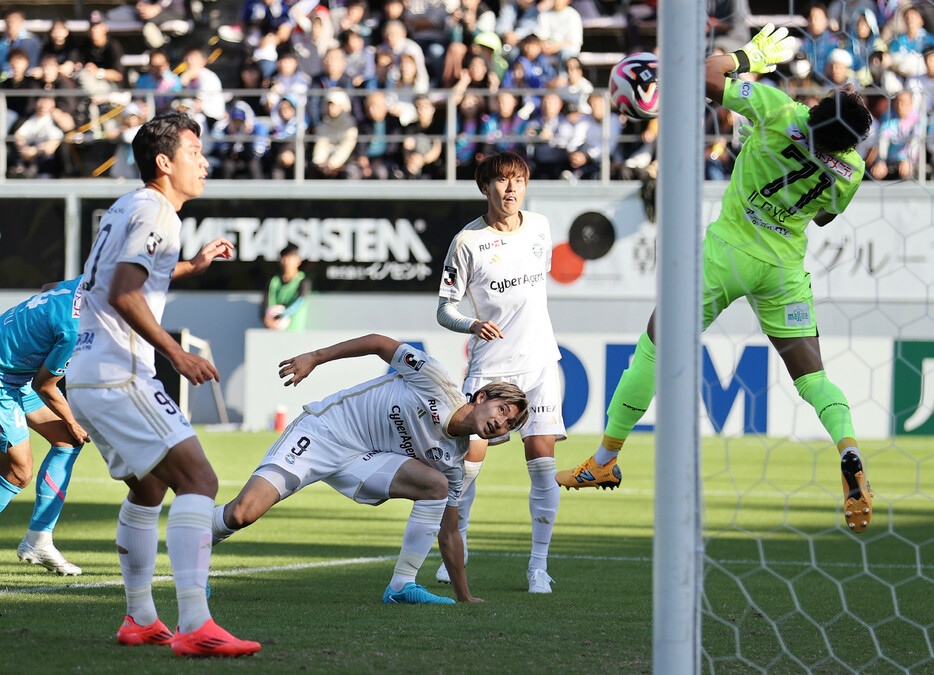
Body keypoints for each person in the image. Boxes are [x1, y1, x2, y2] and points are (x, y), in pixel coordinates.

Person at [556, 25, 876, 535]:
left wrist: (746, 58)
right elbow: (822, 219)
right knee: (813, 376)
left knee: (654, 350)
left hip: (725, 255)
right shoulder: (852, 169)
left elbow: (704, 75)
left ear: (816, 112)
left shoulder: (777, 109)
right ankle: (849, 447)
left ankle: (603, 459)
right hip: (783, 272)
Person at [65, 113, 261, 656]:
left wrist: (191, 266)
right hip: (119, 373)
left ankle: (141, 619)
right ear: (164, 162)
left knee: (149, 488)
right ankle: (196, 624)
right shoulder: (158, 211)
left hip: (86, 372)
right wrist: (176, 353)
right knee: (200, 479)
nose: (204, 161)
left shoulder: (130, 205)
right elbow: (125, 291)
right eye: (194, 150)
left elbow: (120, 276)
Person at [211, 334, 529, 604]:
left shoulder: (452, 462)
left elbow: (449, 533)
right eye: (502, 410)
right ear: (482, 397)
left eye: (509, 424)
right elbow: (378, 343)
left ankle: (401, 585)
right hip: (325, 432)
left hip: (362, 460)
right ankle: (195, 539)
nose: (501, 422)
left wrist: (465, 597)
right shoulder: (435, 380)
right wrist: (315, 357)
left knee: (437, 485)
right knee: (243, 513)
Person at [434, 151, 565, 593]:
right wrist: (472, 324)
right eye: (503, 181)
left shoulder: (541, 227)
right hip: (490, 368)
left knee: (543, 467)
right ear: (485, 188)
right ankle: (458, 544)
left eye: (519, 181)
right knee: (466, 468)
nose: (511, 189)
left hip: (541, 364)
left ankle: (538, 568)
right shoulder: (466, 242)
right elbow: (444, 309)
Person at [0, 278, 89, 576]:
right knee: (19, 471)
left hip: (17, 375)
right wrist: (74, 421)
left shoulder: (82, 284)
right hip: (4, 379)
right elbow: (45, 385)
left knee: (67, 441)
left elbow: (48, 288)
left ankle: (39, 539)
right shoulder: (74, 328)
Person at [263, 244, 311, 330]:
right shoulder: (273, 281)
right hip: (273, 329)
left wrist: (281, 316)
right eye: (285, 258)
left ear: (298, 261)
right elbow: (267, 300)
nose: (287, 262)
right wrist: (267, 317)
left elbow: (299, 302)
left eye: (291, 258)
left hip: (295, 329)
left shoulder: (303, 281)